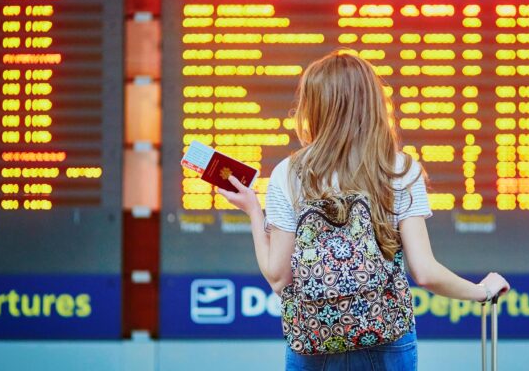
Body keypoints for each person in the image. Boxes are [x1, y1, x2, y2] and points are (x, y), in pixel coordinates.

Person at [218, 50, 510, 370]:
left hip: (314, 341)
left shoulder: (288, 173)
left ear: (313, 107)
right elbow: (425, 272)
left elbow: (278, 278)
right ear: (372, 103)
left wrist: (253, 212)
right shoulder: (399, 170)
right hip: (387, 341)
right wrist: (482, 292)